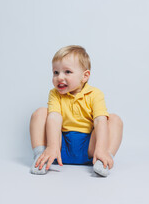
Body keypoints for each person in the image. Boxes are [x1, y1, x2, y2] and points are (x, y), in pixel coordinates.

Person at [29, 45, 123, 177]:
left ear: (85, 76)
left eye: (67, 72)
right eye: (56, 72)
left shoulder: (95, 94)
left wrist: (100, 148)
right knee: (40, 113)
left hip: (89, 147)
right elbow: (54, 118)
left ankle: (103, 159)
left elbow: (100, 121)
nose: (60, 77)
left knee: (114, 120)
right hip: (60, 146)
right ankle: (42, 157)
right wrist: (52, 146)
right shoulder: (55, 94)